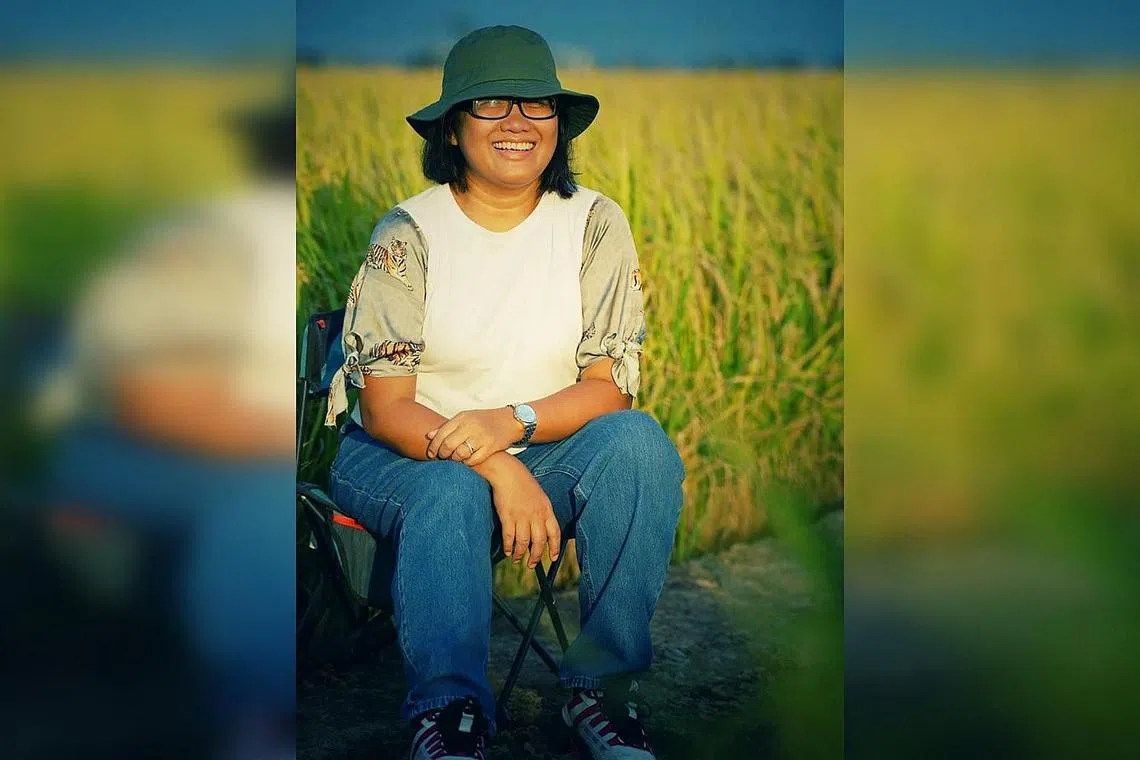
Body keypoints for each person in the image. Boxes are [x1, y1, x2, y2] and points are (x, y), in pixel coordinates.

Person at [324, 25, 685, 760]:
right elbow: (386, 409)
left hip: (538, 443)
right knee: (451, 487)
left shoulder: (594, 223)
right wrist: (495, 462)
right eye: (490, 104)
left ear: (559, 124)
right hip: (402, 456)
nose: (517, 123)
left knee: (640, 446)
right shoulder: (409, 233)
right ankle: (448, 713)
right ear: (452, 129)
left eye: (536, 104)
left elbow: (608, 390)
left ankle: (602, 692)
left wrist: (510, 424)